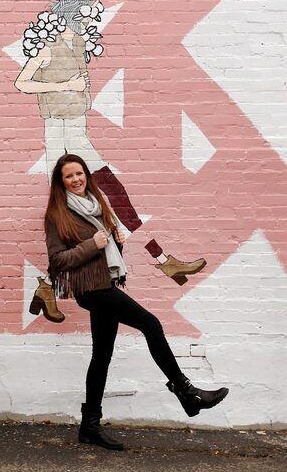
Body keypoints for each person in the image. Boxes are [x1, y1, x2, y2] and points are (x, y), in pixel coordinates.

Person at [15, 0, 206, 285]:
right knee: (88, 208)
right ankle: (160, 260)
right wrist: (65, 85)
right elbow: (22, 82)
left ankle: (161, 260)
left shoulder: (78, 44)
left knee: (111, 202)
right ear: (77, 7)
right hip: (62, 137)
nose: (97, 10)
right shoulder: (49, 48)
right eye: (92, 4)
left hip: (78, 132)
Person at [44, 153, 229, 451]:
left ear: (86, 175)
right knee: (150, 324)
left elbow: (106, 254)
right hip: (91, 290)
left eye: (79, 174)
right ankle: (186, 391)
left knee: (101, 356)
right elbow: (57, 261)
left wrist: (115, 241)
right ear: (60, 182)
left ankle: (89, 427)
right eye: (69, 176)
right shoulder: (57, 214)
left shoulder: (96, 203)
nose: (76, 179)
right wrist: (93, 244)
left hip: (105, 283)